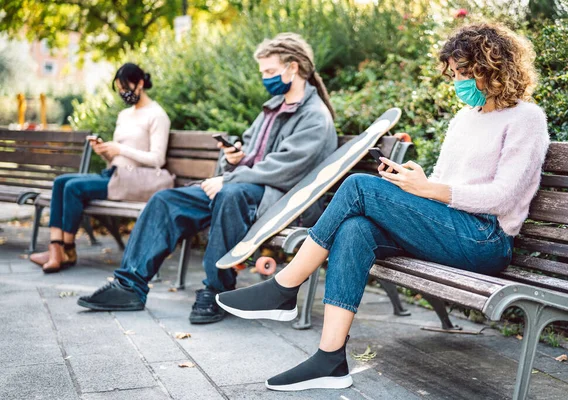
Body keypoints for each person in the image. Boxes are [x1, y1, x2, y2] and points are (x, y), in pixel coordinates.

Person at [216, 23, 550, 391]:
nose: (457, 81)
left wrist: (430, 189)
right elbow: (441, 182)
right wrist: (413, 181)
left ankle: (284, 287)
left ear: (493, 67)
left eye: (464, 72)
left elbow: (504, 195)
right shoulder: (465, 118)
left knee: (359, 185)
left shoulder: (526, 119)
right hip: (448, 226)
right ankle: (330, 360)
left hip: (485, 239)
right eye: (453, 73)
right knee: (354, 228)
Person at [77, 33, 338, 325]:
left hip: (283, 202)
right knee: (166, 200)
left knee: (229, 195)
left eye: (270, 72)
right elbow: (252, 151)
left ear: (293, 68)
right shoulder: (272, 108)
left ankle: (218, 288)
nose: (265, 78)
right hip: (245, 190)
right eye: (263, 72)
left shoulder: (315, 117)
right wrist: (235, 155)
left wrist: (229, 178)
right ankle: (129, 286)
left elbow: (286, 167)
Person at [30, 63, 170, 273]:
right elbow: (115, 158)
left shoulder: (157, 115)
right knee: (61, 182)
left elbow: (157, 159)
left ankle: (67, 250)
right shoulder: (125, 116)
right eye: (120, 89)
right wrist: (105, 151)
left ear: (140, 83)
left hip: (130, 180)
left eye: (126, 87)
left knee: (73, 188)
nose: (123, 93)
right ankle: (55, 249)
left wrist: (120, 149)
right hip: (113, 174)